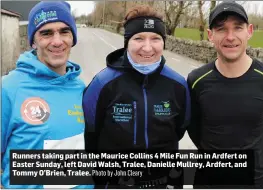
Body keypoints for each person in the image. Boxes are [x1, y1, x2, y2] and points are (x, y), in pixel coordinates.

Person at [83, 5, 190, 188]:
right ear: (127, 42)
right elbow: (91, 136)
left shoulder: (178, 84)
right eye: (138, 38)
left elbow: (180, 130)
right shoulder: (102, 83)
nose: (147, 48)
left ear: (164, 42)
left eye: (155, 38)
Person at [187, 1, 263, 189]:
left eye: (238, 28)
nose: (230, 37)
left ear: (249, 31)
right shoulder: (196, 80)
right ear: (210, 35)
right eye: (221, 29)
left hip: (257, 182)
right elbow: (195, 129)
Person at [1, 1, 93, 189]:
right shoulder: (8, 88)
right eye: (46, 33)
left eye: (64, 31)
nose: (57, 41)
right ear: (33, 41)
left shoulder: (80, 87)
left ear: (73, 38)